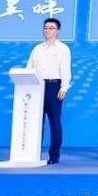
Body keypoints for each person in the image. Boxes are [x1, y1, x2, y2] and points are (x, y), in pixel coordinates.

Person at [26, 17, 71, 164]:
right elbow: (29, 68)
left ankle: (54, 155)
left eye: (51, 28)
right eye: (45, 28)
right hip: (36, 86)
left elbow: (65, 69)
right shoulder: (37, 49)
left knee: (54, 122)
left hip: (53, 86)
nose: (47, 30)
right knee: (35, 122)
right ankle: (32, 154)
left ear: (58, 31)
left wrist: (64, 88)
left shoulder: (63, 48)